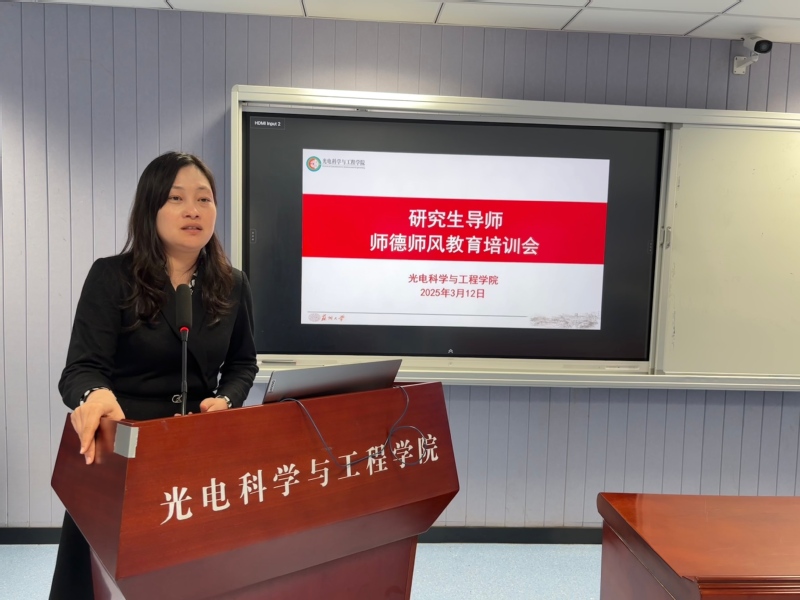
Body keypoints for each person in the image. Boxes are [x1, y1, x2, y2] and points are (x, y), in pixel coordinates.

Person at [49, 152, 259, 599]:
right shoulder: (112, 277)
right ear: (151, 208)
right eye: (176, 198)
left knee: (190, 579)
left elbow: (243, 363)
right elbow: (81, 368)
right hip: (123, 447)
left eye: (204, 199)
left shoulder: (232, 283)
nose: (193, 210)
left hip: (197, 452)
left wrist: (227, 399)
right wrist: (95, 394)